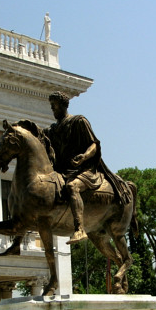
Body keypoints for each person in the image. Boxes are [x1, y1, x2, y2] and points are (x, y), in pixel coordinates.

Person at [43, 91, 132, 245]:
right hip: (63, 172)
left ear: (63, 106)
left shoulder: (79, 121)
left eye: (55, 107)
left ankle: (79, 229)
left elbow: (94, 145)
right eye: (51, 107)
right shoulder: (52, 130)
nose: (53, 110)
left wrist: (84, 156)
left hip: (84, 170)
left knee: (72, 187)